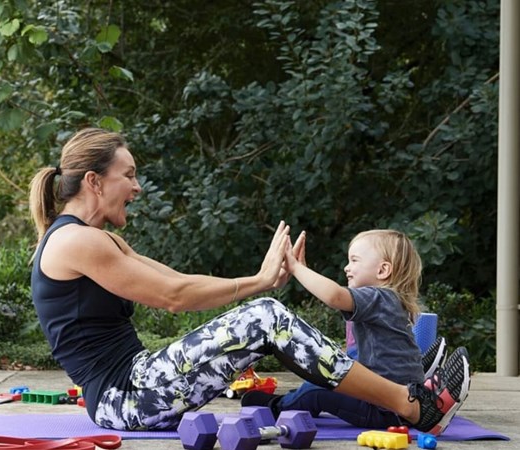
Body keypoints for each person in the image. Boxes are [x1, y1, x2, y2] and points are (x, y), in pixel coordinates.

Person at [29, 127, 469, 435]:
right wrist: (258, 282)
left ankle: (400, 389)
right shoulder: (75, 242)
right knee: (265, 319)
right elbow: (174, 297)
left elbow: (178, 278)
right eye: (128, 175)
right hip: (124, 397)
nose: (137, 186)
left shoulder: (99, 240)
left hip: (141, 384)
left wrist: (259, 281)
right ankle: (410, 402)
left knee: (266, 318)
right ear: (93, 181)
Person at [243, 229, 467, 430]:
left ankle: (277, 406)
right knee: (336, 366)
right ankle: (294, 399)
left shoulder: (378, 297)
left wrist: (296, 268)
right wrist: (303, 271)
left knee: (318, 391)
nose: (346, 267)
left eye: (354, 260)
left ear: (383, 270)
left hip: (383, 410)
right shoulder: (388, 300)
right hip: (392, 394)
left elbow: (334, 296)